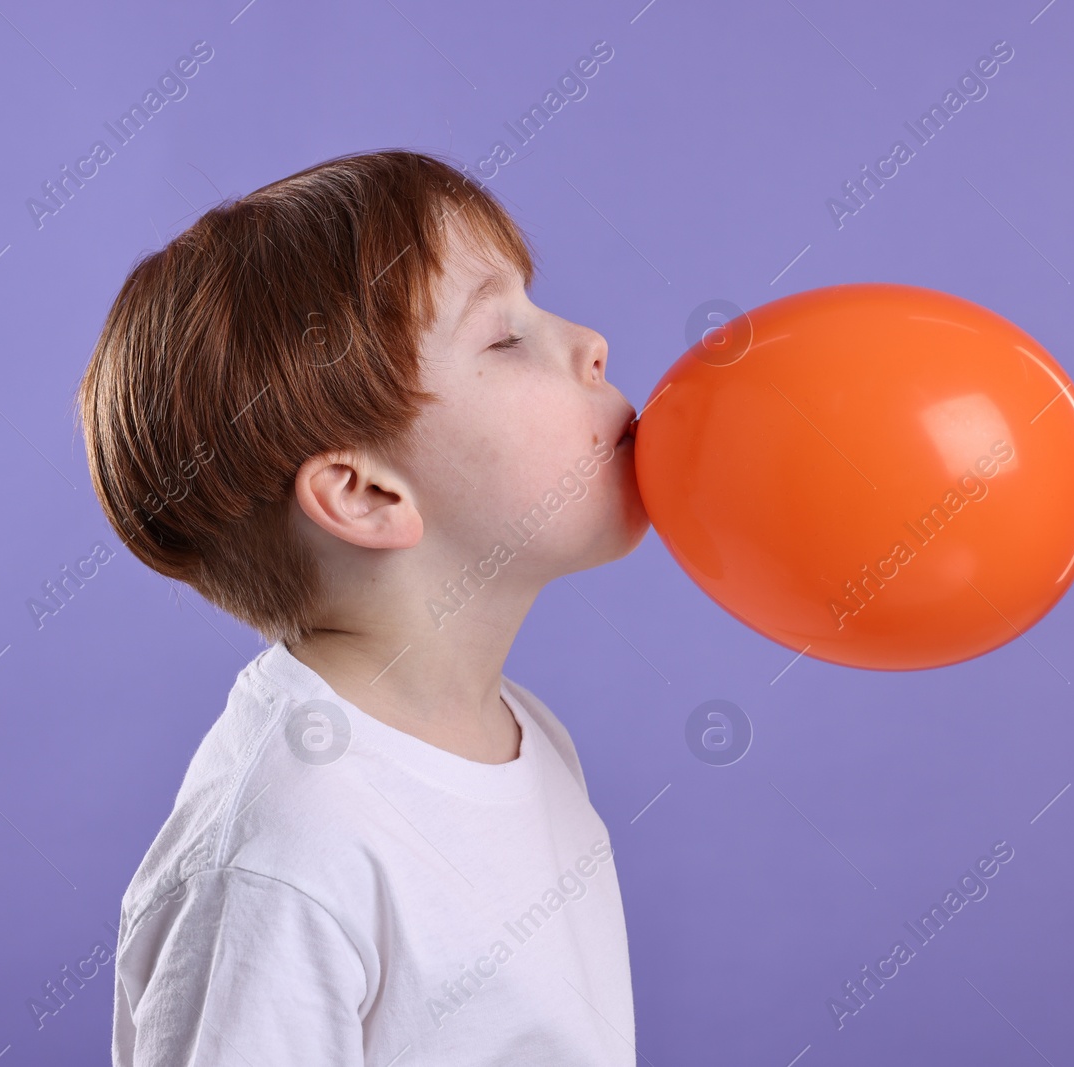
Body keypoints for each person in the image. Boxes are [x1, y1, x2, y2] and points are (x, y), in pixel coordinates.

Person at [79, 149, 649, 1065]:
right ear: (366, 494)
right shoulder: (282, 854)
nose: (590, 342)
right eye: (503, 337)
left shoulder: (523, 734)